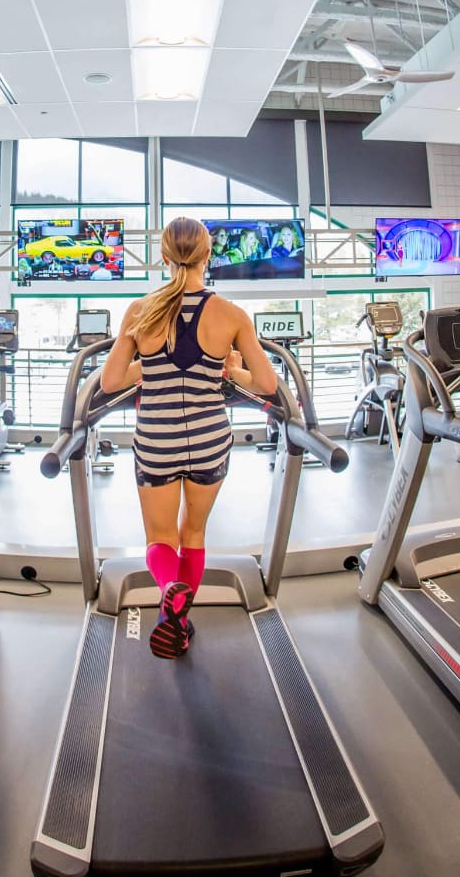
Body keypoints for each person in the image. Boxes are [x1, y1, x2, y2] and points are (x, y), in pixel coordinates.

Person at [101, 216, 278, 659]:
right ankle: (175, 619)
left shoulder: (139, 311)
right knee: (193, 532)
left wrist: (153, 366)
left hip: (157, 439)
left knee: (160, 538)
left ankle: (169, 591)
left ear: (163, 257)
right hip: (209, 437)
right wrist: (228, 368)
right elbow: (267, 385)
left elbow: (110, 381)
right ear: (208, 255)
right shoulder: (232, 315)